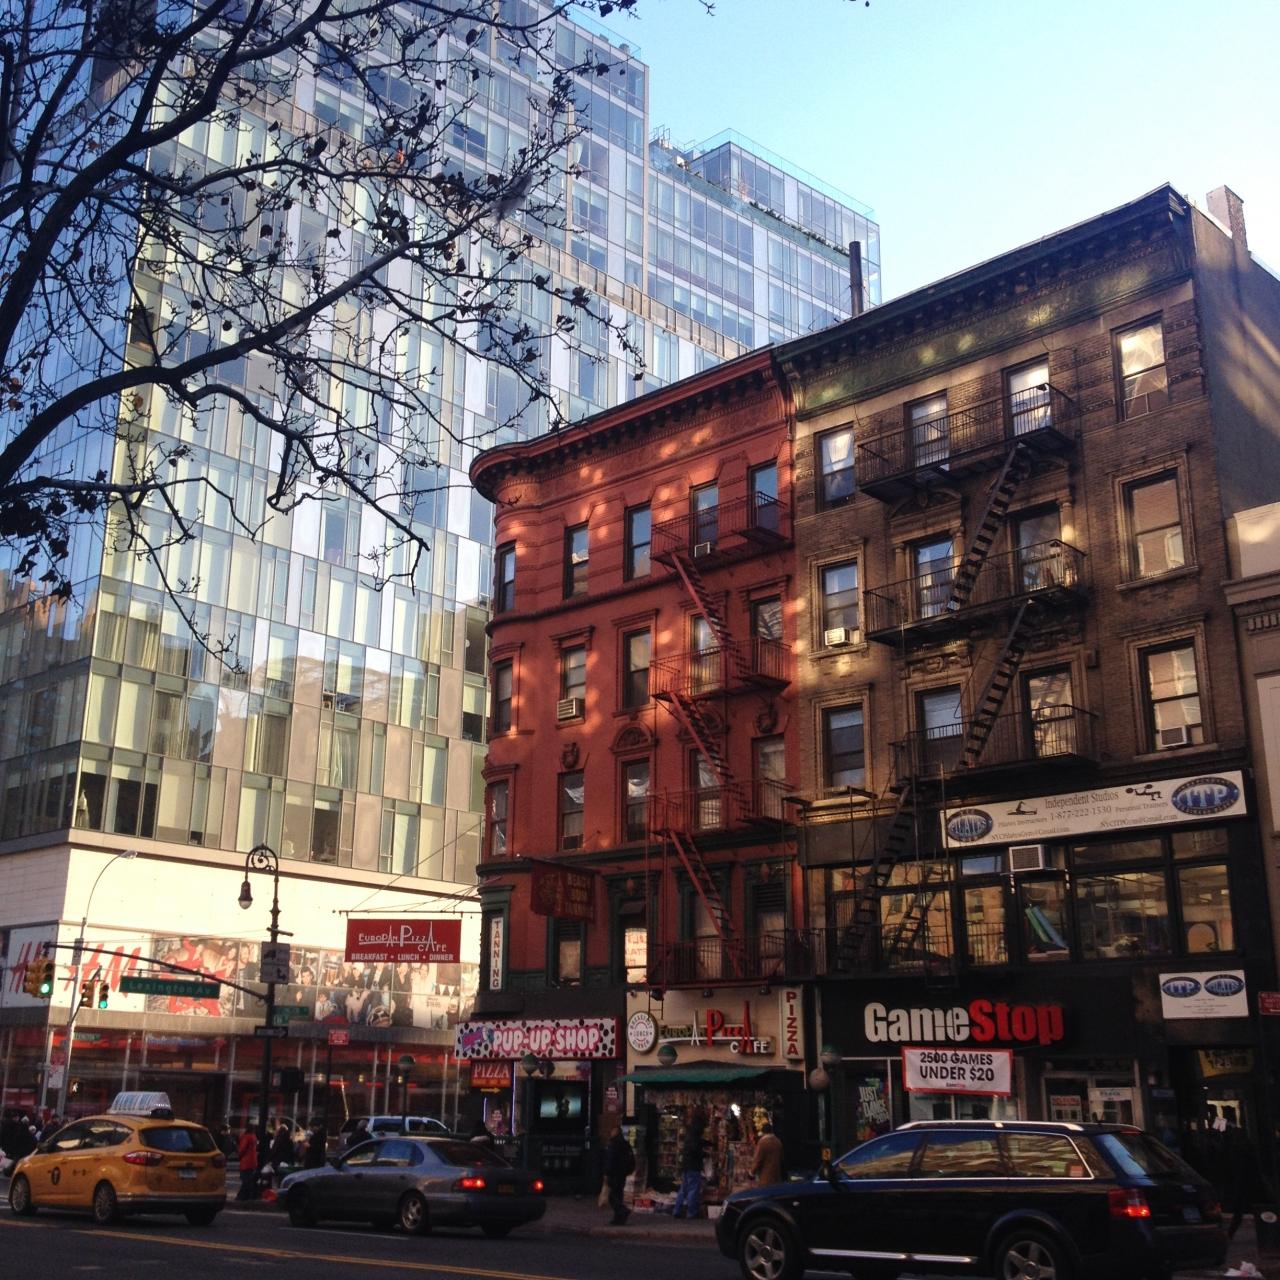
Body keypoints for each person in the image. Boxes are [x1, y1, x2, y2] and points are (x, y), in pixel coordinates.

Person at [672, 1108, 708, 1220]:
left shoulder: (690, 1133)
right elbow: (695, 1149)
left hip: (686, 1165)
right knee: (693, 1189)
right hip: (694, 1166)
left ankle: (677, 1210)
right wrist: (704, 1154)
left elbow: (695, 1145)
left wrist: (707, 1144)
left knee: (684, 1188)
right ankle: (691, 1213)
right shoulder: (695, 1135)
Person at [603, 1123, 635, 1226]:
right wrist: (629, 1170)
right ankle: (618, 1218)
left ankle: (623, 1211)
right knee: (619, 1195)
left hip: (614, 1173)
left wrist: (607, 1173)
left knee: (612, 1196)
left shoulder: (613, 1144)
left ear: (615, 1132)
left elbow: (610, 1160)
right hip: (622, 1174)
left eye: (612, 1131)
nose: (610, 1133)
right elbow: (631, 1158)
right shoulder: (625, 1144)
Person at [750, 1122, 785, 1186]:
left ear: (763, 1132)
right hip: (777, 1177)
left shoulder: (762, 1142)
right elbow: (781, 1159)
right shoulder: (778, 1141)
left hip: (765, 1178)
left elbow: (758, 1159)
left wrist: (751, 1173)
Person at [236, 1126, 260, 1200]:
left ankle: (241, 1197)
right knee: (249, 1180)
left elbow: (242, 1149)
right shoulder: (254, 1137)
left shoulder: (246, 1137)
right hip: (253, 1161)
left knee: (245, 1180)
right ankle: (249, 1196)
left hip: (246, 1162)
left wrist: (239, 1155)